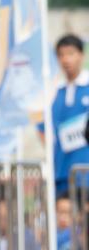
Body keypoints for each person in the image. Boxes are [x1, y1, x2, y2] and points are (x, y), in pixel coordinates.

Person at [42, 34, 89, 196]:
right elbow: (43, 129)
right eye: (61, 55)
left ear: (81, 55)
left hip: (85, 171)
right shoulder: (53, 92)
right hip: (62, 173)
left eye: (70, 53)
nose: (65, 59)